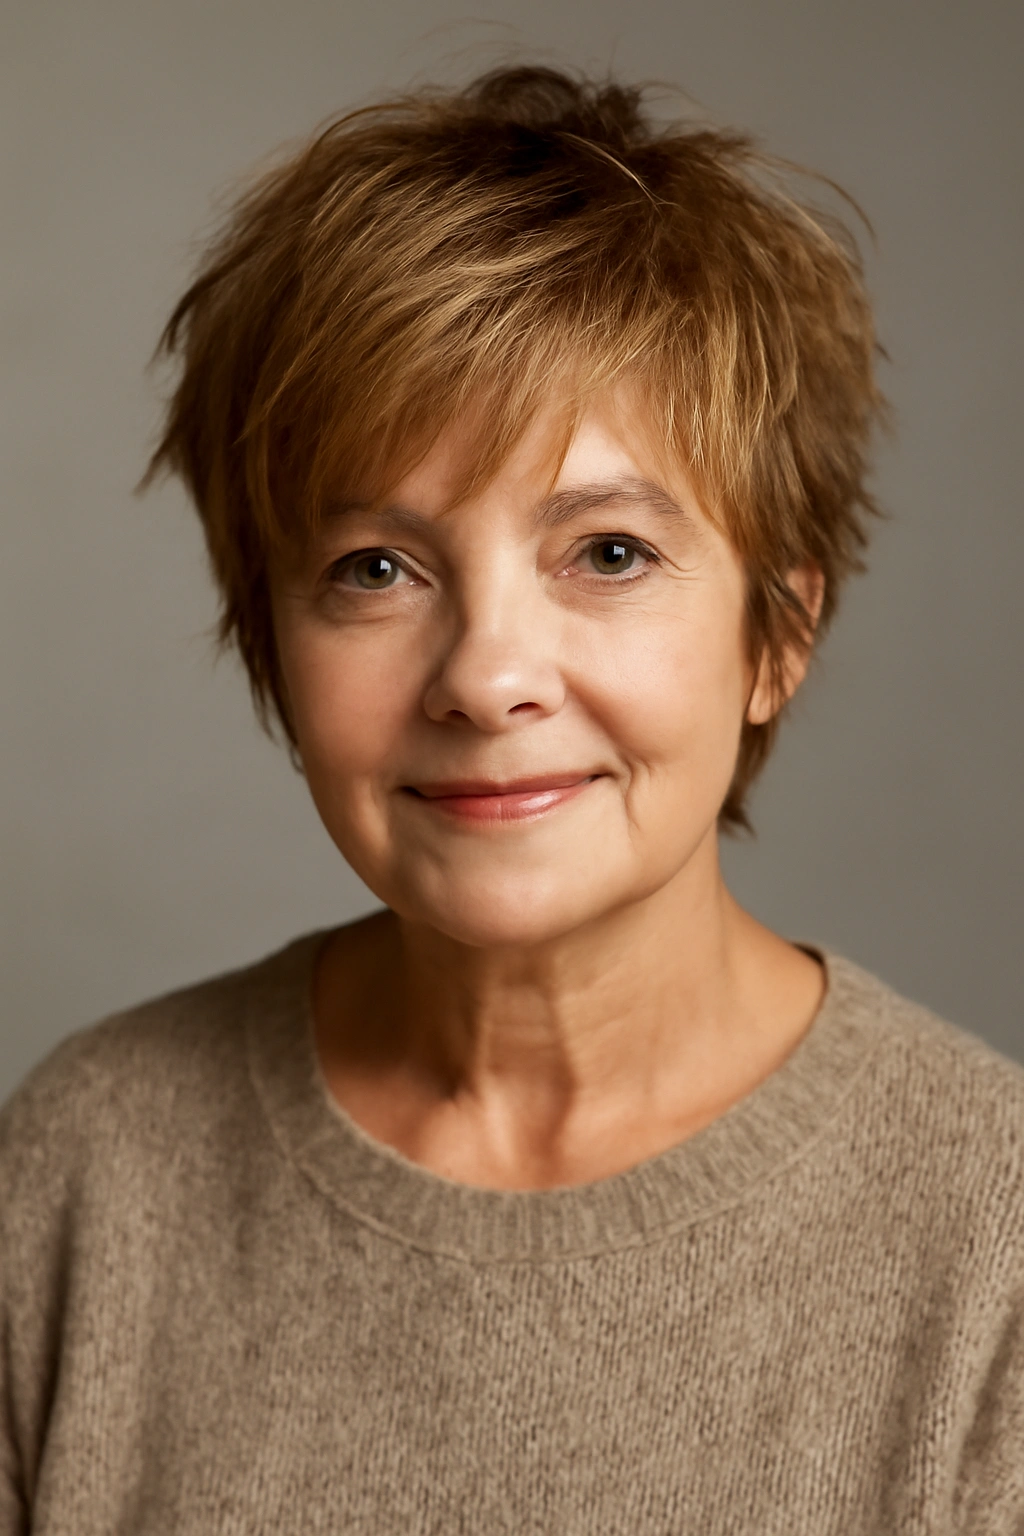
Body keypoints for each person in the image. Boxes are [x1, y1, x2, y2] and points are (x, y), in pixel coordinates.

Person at [2, 63, 1022, 1534]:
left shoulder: (992, 1242)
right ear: (270, 642)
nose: (486, 677)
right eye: (375, 568)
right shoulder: (85, 1176)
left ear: (778, 636)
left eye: (606, 552)